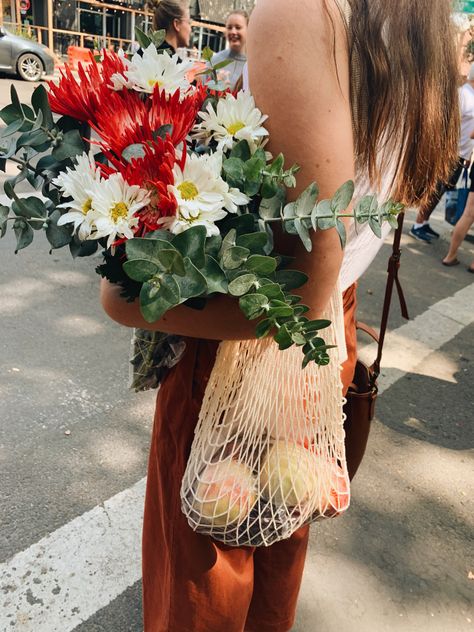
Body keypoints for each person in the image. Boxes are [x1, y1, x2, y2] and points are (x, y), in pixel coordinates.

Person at [100, 1, 459, 630]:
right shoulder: (418, 21)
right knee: (275, 529)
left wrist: (130, 301)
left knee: (207, 561)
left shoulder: (299, 10)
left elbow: (301, 280)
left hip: (253, 330)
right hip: (326, 335)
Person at [410, 63, 474, 243]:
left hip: (461, 155)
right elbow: (447, 125)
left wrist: (468, 156)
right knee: (435, 190)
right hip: (450, 154)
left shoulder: (471, 96)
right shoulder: (463, 95)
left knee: (442, 191)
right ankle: (417, 225)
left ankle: (424, 222)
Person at [211, 10, 249, 90]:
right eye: (229, 27)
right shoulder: (213, 61)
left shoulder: (253, 65)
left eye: (238, 27)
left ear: (248, 29)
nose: (233, 32)